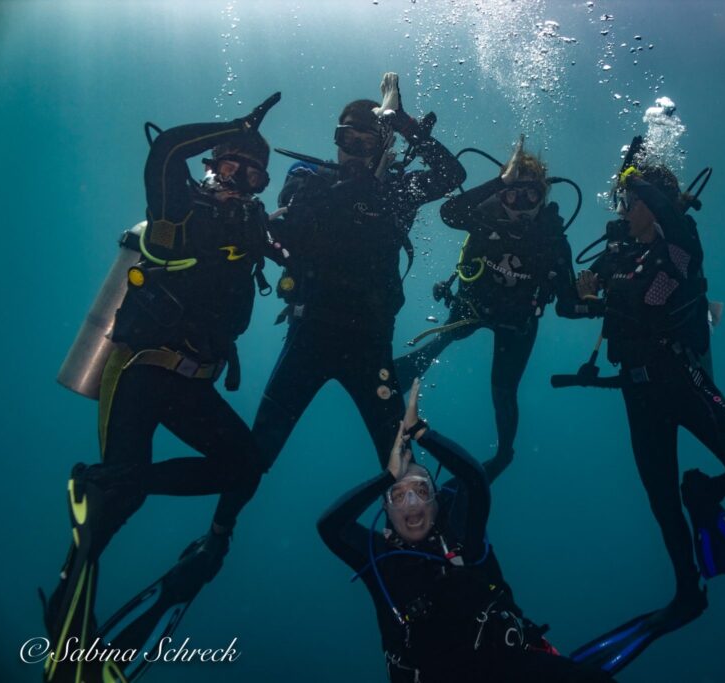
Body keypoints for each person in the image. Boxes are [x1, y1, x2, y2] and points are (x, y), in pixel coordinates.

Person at [40, 94, 282, 683]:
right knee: (120, 501)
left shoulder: (252, 225)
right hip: (140, 371)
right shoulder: (179, 206)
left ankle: (110, 483)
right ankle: (66, 623)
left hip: (193, 382)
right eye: (231, 166)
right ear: (212, 165)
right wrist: (237, 126)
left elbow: (291, 253)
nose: (240, 181)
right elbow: (166, 146)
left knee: (243, 466)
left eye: (254, 174)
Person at [561, 162, 725, 626]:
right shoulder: (619, 253)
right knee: (660, 501)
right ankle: (686, 591)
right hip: (637, 391)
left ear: (650, 202)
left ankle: (705, 492)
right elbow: (567, 305)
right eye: (623, 200)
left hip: (685, 380)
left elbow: (673, 221)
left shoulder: (679, 248)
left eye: (630, 201)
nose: (623, 209)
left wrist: (633, 174)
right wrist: (582, 295)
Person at [318, 380, 627, 682]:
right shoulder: (380, 557)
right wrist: (388, 476)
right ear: (386, 510)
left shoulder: (461, 536)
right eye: (398, 495)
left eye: (421, 491)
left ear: (438, 501)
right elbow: (330, 527)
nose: (411, 503)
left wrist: (422, 433)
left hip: (509, 668)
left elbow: (475, 480)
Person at [253, 73, 466, 472]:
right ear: (335, 141)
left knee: (398, 462)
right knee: (259, 451)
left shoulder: (399, 192)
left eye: (367, 144)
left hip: (371, 343)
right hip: (309, 333)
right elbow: (296, 217)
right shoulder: (309, 177)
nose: (355, 152)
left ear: (384, 148)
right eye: (347, 140)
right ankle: (219, 531)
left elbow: (452, 176)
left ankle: (410, 532)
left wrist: (402, 121)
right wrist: (356, 187)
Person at [393, 136, 579, 481]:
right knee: (443, 339)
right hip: (474, 305)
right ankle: (400, 379)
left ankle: (504, 455)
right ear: (501, 194)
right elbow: (450, 212)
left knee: (503, 390)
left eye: (531, 196)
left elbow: (569, 304)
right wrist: (498, 182)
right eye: (512, 194)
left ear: (543, 198)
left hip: (517, 322)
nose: (521, 206)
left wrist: (587, 299)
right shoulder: (485, 219)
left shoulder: (553, 241)